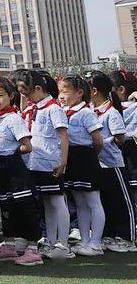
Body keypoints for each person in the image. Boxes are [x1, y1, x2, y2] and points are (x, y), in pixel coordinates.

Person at [0, 77, 41, 266]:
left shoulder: (13, 118)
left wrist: (12, 152)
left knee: (24, 206)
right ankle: (9, 246)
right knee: (5, 206)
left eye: (0, 95)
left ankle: (33, 248)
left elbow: (27, 146)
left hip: (12, 166)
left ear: (11, 96)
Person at [16, 69, 70, 258]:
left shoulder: (53, 108)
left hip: (50, 162)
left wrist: (63, 161)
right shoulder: (35, 108)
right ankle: (50, 240)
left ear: (38, 88)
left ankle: (63, 244)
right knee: (47, 203)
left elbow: (63, 136)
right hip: (35, 162)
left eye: (27, 93)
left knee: (57, 201)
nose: (25, 97)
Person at [87, 71, 136, 251]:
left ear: (94, 91)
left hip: (113, 163)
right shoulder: (92, 112)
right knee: (105, 201)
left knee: (122, 201)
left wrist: (101, 141)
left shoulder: (111, 112)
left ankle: (127, 238)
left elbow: (120, 138)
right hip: (99, 164)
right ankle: (108, 235)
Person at [59, 75, 105, 256]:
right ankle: (84, 240)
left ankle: (95, 243)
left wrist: (91, 156)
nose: (61, 95)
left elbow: (98, 141)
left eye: (65, 91)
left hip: (85, 156)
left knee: (93, 201)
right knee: (79, 203)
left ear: (79, 93)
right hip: (71, 157)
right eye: (60, 91)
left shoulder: (86, 113)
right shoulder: (63, 111)